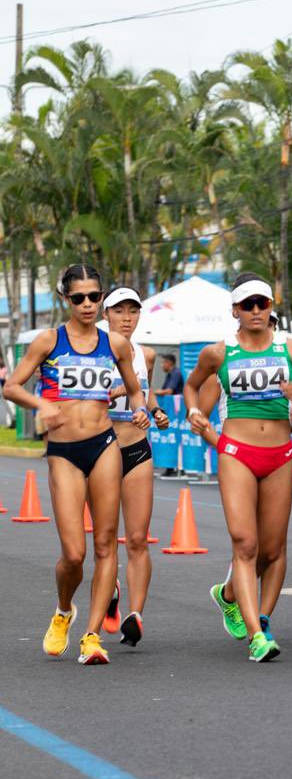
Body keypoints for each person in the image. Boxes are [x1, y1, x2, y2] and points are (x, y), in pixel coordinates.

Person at [4, 263, 150, 666]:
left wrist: (139, 410)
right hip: (64, 452)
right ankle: (64, 609)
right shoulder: (49, 341)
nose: (87, 304)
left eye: (94, 296)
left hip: (104, 446)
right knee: (73, 553)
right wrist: (42, 404)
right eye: (79, 297)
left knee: (106, 544)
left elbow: (136, 390)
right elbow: (12, 387)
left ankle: (91, 636)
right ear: (65, 299)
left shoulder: (115, 345)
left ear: (101, 297)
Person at [183, 272, 292, 663]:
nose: (257, 310)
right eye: (248, 305)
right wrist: (195, 412)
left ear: (271, 307)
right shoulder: (219, 352)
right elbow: (192, 386)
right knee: (246, 543)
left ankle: (250, 609)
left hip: (280, 454)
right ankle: (256, 636)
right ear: (235, 311)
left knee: (273, 549)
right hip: (236, 452)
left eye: (262, 303)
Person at [101, 286, 170, 646]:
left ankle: (135, 615)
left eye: (133, 311)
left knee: (138, 538)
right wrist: (115, 393)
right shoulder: (94, 353)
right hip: (101, 451)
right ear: (106, 314)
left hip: (137, 448)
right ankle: (109, 591)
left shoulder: (146, 354)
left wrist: (155, 412)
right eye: (119, 311)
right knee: (105, 538)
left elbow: (145, 391)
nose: (126, 318)